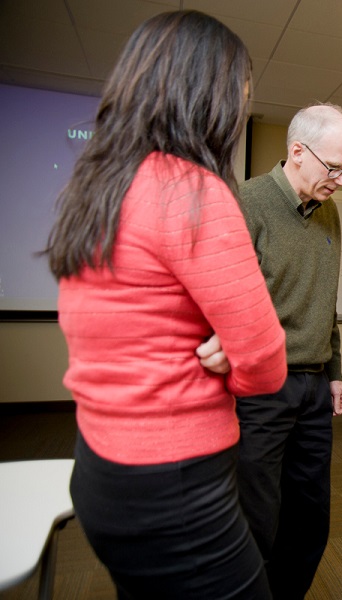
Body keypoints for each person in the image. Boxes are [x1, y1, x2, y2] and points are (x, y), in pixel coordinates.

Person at [44, 10, 286, 599]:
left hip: (99, 473)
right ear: (207, 97)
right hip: (175, 487)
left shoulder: (95, 187)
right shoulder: (191, 190)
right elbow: (267, 362)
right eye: (239, 97)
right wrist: (234, 356)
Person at [235, 103, 342, 598]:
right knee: (258, 521)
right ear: (297, 153)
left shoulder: (330, 211)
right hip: (260, 390)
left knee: (311, 522)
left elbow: (326, 301)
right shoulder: (247, 203)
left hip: (313, 390)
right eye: (336, 169)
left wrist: (335, 370)